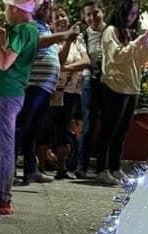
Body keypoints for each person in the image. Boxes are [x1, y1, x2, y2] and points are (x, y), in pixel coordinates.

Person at [0, 0, 39, 216]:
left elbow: (5, 62)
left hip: (7, 93)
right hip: (11, 92)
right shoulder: (29, 30)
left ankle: (1, 198)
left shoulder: (23, 30)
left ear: (15, 9)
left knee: (2, 145)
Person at [15, 0, 78, 185]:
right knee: (22, 127)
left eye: (48, 4)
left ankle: (30, 170)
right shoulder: (31, 24)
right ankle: (8, 170)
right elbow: (35, 43)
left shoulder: (46, 28)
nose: (46, 5)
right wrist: (64, 34)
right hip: (32, 85)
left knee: (33, 131)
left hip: (45, 87)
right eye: (41, 3)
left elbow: (58, 58)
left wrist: (66, 40)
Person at [93, 0, 148, 186]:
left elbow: (139, 61)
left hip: (131, 86)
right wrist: (136, 43)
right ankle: (101, 168)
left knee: (122, 131)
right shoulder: (111, 31)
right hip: (114, 85)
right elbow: (117, 56)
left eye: (135, 14)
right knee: (109, 129)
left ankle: (114, 167)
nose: (132, 17)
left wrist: (146, 45)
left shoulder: (130, 32)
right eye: (130, 13)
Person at [49, 5, 88, 180]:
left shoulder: (78, 39)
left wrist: (67, 68)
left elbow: (86, 60)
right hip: (54, 89)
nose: (61, 19)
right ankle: (40, 165)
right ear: (51, 23)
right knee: (48, 127)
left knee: (65, 128)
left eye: (63, 15)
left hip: (72, 90)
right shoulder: (51, 40)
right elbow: (59, 59)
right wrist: (67, 41)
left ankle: (62, 167)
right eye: (56, 17)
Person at [76, 0, 106, 179]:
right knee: (89, 124)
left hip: (109, 81)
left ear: (102, 12)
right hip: (90, 80)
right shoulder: (83, 35)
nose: (91, 17)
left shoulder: (111, 31)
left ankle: (103, 167)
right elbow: (84, 57)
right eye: (88, 14)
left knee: (107, 126)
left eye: (95, 13)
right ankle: (82, 165)